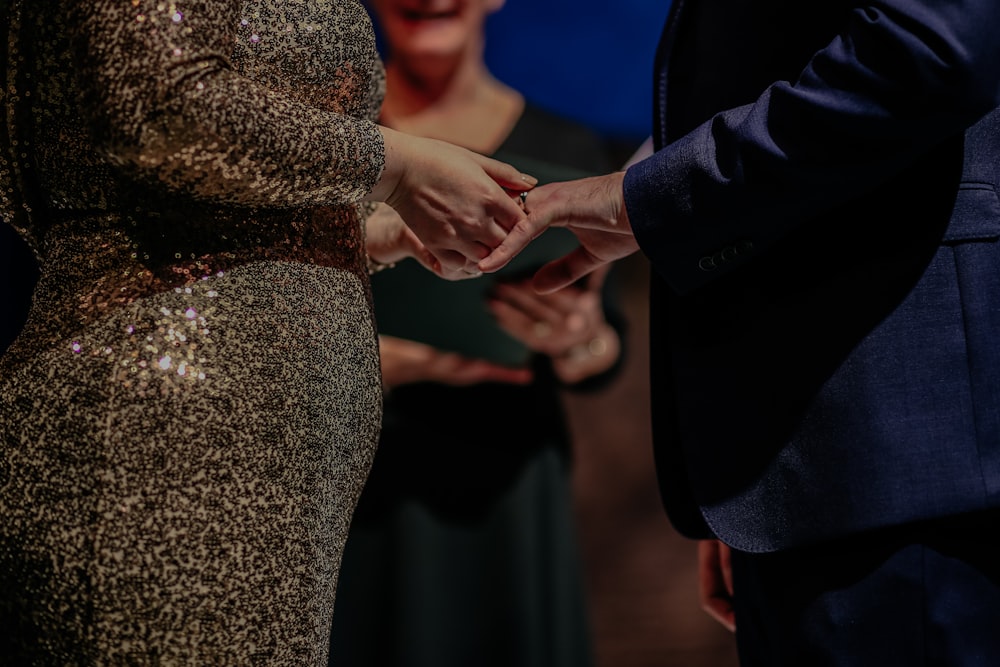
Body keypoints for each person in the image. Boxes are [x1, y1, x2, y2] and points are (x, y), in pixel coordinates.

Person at [0, 0, 536, 663]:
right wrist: (394, 166)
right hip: (168, 437)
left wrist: (352, 232)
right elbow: (161, 109)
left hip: (241, 450)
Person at [479, 0, 1000, 664]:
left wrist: (652, 198)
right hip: (808, 465)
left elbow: (932, 50)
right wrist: (750, 479)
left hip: (905, 455)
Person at [327, 1, 622, 665]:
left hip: (505, 484)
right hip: (356, 481)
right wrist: (363, 364)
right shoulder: (328, 137)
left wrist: (580, 337)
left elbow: (607, 351)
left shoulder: (566, 148)